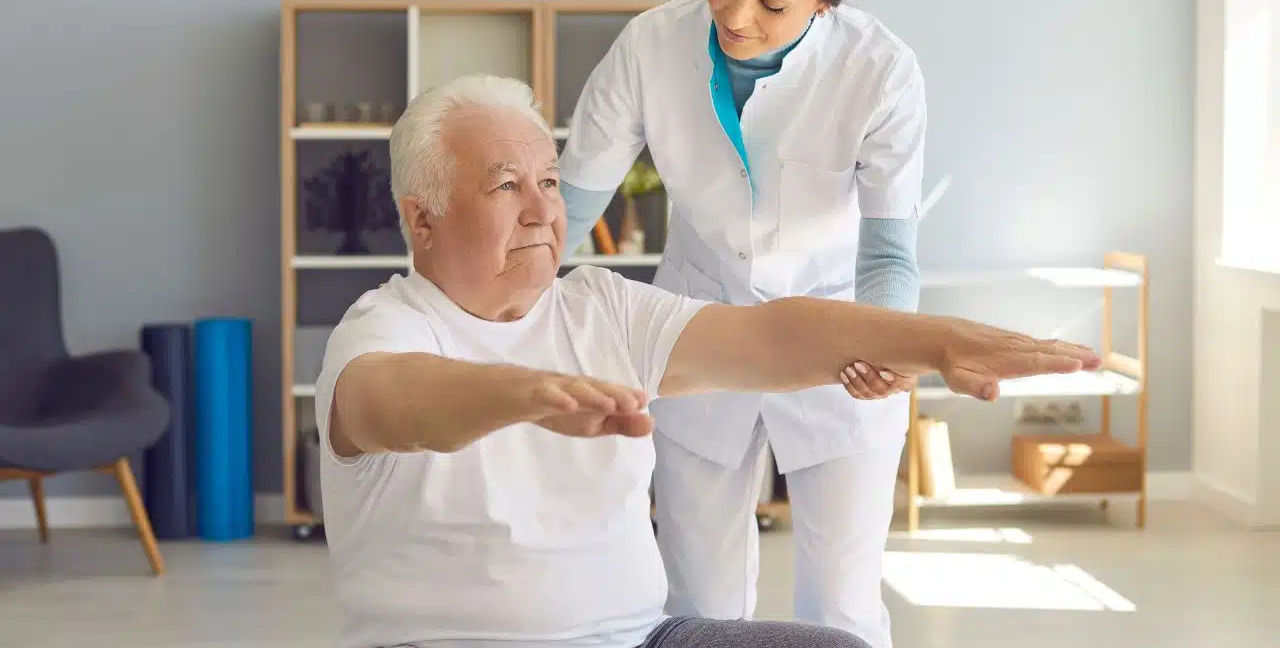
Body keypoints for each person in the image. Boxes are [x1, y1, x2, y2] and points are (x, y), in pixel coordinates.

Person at [314, 74, 1100, 648]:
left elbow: (773, 337)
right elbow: (405, 404)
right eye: (506, 186)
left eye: (550, 181)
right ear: (422, 218)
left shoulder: (602, 306)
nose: (542, 210)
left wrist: (936, 341)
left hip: (640, 640)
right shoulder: (381, 330)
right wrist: (525, 393)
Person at [556, 0, 924, 646]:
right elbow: (568, 211)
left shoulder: (881, 72)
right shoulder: (651, 46)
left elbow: (890, 257)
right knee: (700, 601)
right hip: (699, 331)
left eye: (773, 2)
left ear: (826, 2)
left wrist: (889, 340)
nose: (737, 16)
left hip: (838, 352)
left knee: (845, 608)